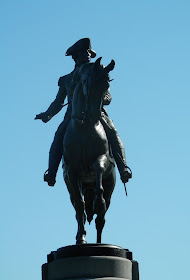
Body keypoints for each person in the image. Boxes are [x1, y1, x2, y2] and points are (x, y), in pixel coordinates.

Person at [35, 38, 132, 186]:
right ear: (75, 56)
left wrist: (103, 97)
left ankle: (123, 167)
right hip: (72, 116)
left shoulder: (98, 70)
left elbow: (107, 94)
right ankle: (51, 172)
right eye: (83, 52)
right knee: (59, 135)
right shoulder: (66, 79)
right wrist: (47, 114)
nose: (87, 54)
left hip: (97, 113)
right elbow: (58, 102)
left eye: (88, 52)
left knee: (112, 131)